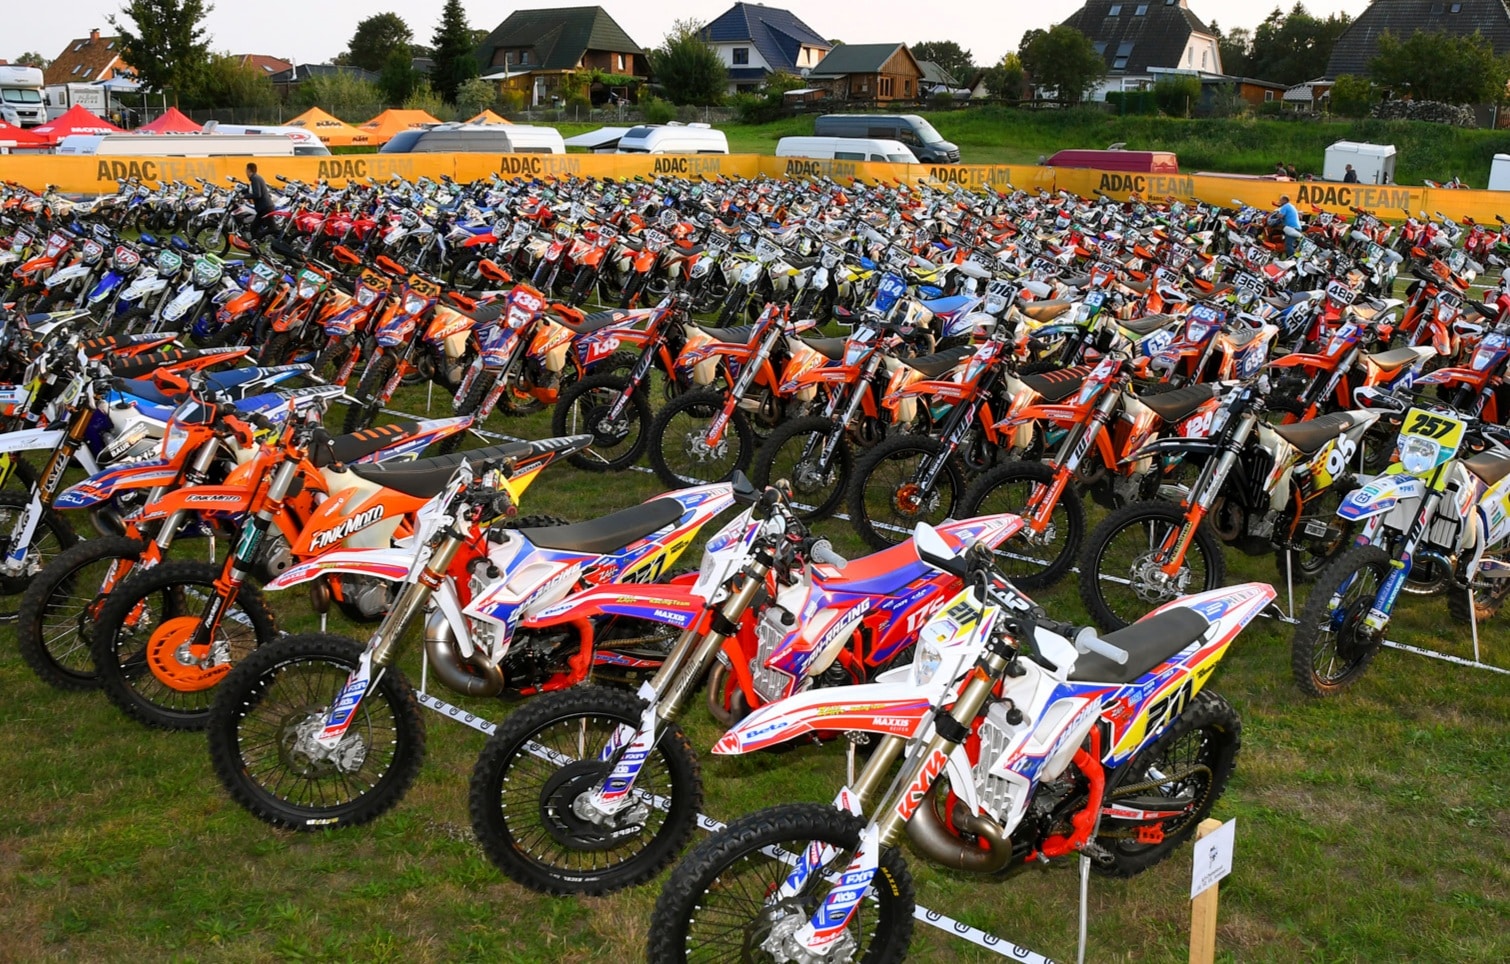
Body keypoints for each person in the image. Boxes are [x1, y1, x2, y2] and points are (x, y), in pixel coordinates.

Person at [247, 162, 274, 239]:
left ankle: (256, 242)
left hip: (264, 208)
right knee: (271, 228)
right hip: (266, 206)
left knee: (254, 227)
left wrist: (244, 196)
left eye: (246, 170)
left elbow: (257, 194)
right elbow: (250, 189)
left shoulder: (254, 179)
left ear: (249, 170)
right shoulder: (257, 178)